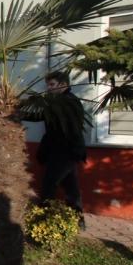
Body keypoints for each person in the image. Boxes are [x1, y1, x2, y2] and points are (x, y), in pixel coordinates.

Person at [22, 71, 87, 220]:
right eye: (48, 85)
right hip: (65, 152)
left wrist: (21, 111)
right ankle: (78, 218)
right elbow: (41, 116)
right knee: (71, 187)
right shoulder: (60, 102)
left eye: (52, 85)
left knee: (49, 185)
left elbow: (44, 115)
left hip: (65, 152)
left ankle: (43, 219)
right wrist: (20, 113)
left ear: (63, 84)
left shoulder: (68, 101)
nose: (49, 88)